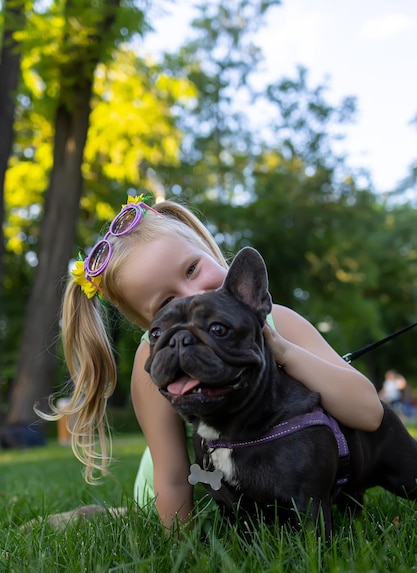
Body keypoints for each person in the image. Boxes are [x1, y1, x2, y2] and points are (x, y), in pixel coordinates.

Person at [41, 196, 384, 532]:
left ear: (205, 244)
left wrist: (284, 351)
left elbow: (369, 412)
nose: (194, 297)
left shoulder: (279, 321)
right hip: (205, 490)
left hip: (278, 478)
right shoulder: (153, 359)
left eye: (192, 268)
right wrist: (178, 546)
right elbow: (172, 477)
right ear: (148, 327)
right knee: (168, 515)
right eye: (167, 302)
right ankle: (100, 515)